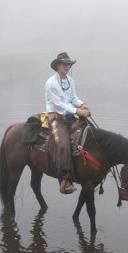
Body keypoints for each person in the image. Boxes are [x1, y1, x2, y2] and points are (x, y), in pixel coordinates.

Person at [45, 52, 91, 194]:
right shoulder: (51, 83)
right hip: (56, 117)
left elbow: (73, 98)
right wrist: (78, 111)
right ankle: (63, 180)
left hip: (69, 115)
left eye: (69, 64)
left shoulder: (70, 81)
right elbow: (59, 105)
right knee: (63, 143)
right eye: (64, 64)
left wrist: (82, 104)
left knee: (90, 130)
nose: (67, 66)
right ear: (58, 65)